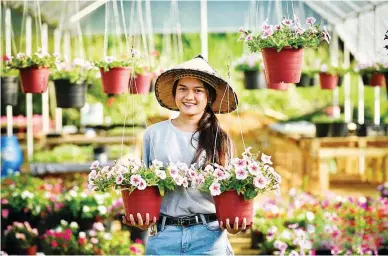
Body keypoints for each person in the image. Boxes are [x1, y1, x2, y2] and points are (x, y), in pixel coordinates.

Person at [122, 55, 246, 255]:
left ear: (209, 97)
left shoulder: (220, 138)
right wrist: (140, 217)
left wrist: (234, 223)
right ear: (174, 93)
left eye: (198, 90)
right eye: (183, 89)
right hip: (164, 237)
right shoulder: (154, 134)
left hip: (209, 238)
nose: (189, 96)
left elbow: (229, 193)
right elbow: (143, 187)